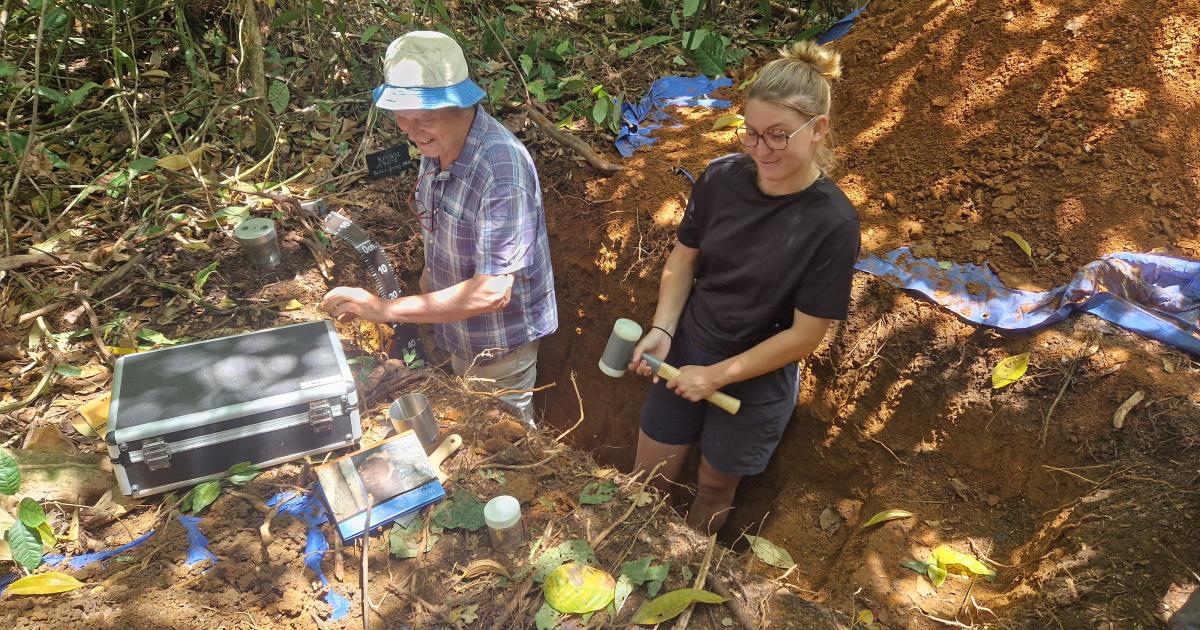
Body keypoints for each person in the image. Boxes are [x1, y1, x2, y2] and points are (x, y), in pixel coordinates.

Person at [629, 41, 860, 533]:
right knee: (647, 478)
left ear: (818, 130)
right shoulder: (720, 178)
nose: (761, 150)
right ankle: (629, 547)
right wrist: (663, 329)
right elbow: (684, 258)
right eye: (752, 134)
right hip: (687, 347)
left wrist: (715, 377)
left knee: (714, 488)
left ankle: (689, 561)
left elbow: (804, 337)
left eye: (779, 136)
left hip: (755, 380)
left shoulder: (833, 224)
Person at [320, 31, 557, 424]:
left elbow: (493, 292)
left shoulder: (501, 173)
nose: (411, 131)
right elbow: (441, 221)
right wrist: (430, 280)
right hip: (454, 330)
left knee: (504, 438)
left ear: (461, 105)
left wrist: (384, 309)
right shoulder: (438, 144)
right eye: (402, 117)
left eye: (423, 117)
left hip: (496, 346)